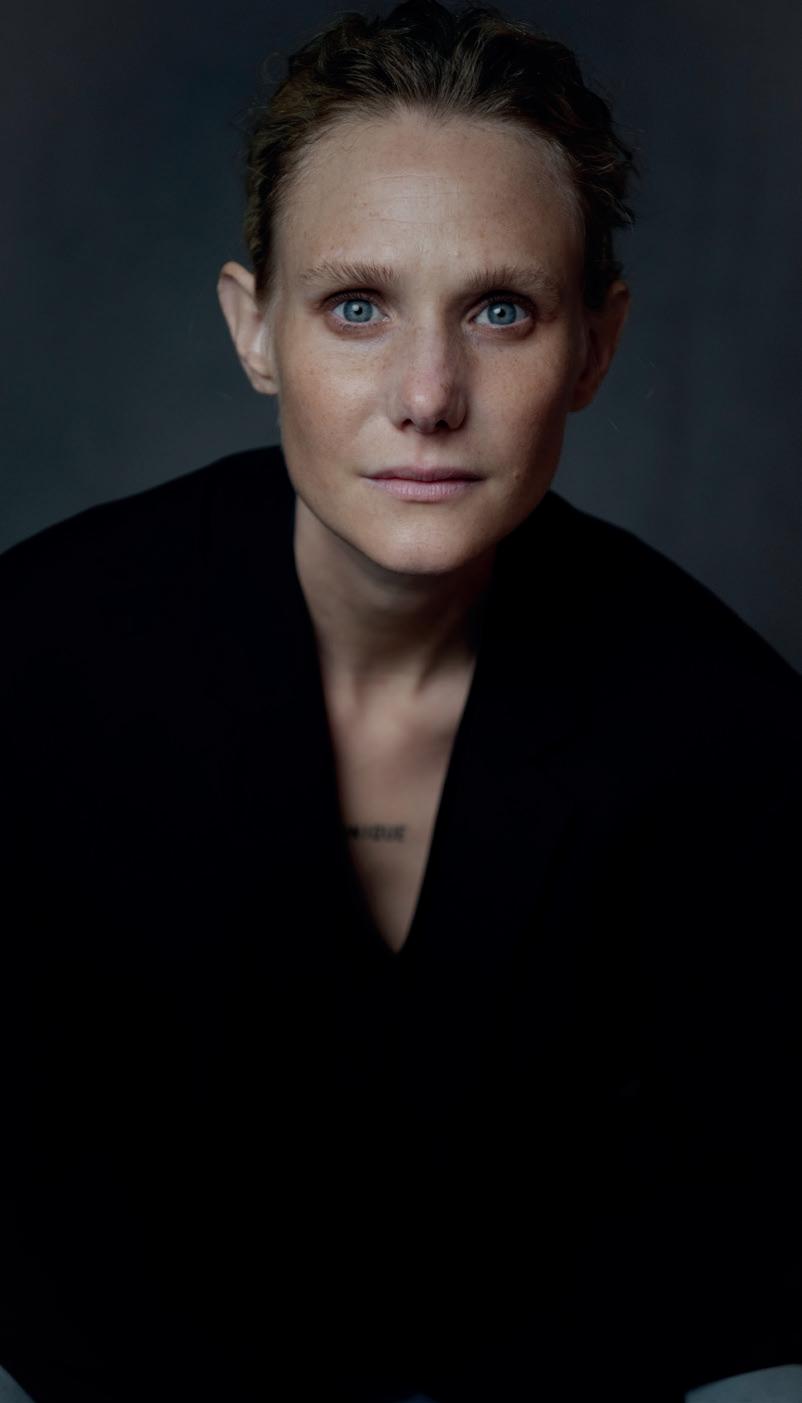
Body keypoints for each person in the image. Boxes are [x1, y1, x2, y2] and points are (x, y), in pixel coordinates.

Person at [1, 1, 800, 1401]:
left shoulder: (726, 735)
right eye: (356, 306)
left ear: (594, 347)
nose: (427, 396)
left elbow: (743, 1227)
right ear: (255, 330)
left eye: (500, 310)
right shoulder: (33, 658)